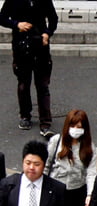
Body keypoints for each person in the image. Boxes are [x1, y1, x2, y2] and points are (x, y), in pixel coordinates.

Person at [0, 0, 57, 136]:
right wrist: (16, 24)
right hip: (21, 46)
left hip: (40, 46)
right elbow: (1, 17)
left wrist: (47, 33)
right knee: (23, 84)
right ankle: (25, 115)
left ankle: (45, 121)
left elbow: (53, 18)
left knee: (42, 85)